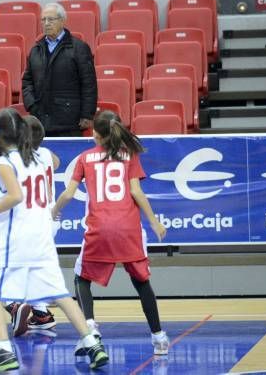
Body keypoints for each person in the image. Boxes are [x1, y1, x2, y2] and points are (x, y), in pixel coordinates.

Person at [0, 108, 108, 373]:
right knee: (59, 293)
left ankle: (3, 350)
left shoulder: (6, 161)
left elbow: (6, 190)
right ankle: (91, 341)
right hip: (43, 233)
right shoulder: (39, 157)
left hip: (16, 235)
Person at [52, 110, 170, 357]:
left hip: (100, 227)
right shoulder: (129, 155)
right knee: (142, 282)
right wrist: (154, 221)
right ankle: (159, 338)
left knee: (80, 279)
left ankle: (91, 330)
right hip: (129, 228)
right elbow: (136, 192)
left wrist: (54, 211)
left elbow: (69, 194)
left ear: (96, 133)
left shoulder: (85, 158)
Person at [3, 115, 61, 337]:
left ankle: (14, 306)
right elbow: (56, 162)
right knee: (35, 269)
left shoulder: (17, 159)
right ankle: (41, 314)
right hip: (50, 219)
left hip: (30, 219)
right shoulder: (46, 154)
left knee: (6, 267)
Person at [21, 2, 97, 137]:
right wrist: (32, 105)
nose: (46, 23)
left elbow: (89, 83)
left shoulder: (79, 48)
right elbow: (27, 81)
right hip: (41, 121)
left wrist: (87, 114)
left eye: (51, 19)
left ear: (62, 21)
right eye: (43, 20)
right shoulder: (36, 50)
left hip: (69, 122)